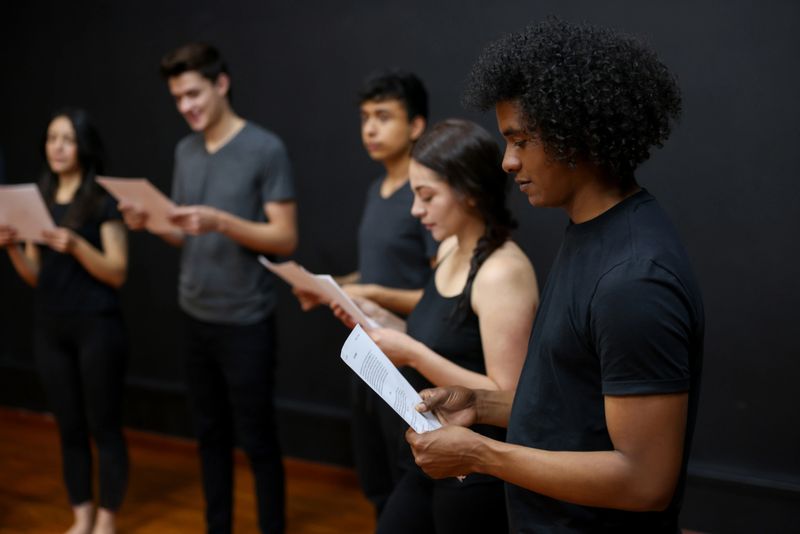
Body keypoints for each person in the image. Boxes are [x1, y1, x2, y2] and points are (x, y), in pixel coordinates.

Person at [405, 20, 705, 534]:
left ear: (576, 136)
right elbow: (572, 412)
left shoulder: (634, 281)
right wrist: (479, 404)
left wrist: (482, 455)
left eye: (520, 140)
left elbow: (645, 481)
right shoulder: (589, 233)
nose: (507, 161)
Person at [120, 42, 297, 534]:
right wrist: (150, 221)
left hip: (246, 320)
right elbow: (185, 233)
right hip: (195, 315)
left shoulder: (265, 148)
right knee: (209, 436)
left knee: (258, 440)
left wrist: (221, 221)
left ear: (221, 84)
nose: (186, 106)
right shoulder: (186, 150)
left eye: (193, 93)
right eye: (178, 98)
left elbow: (285, 238)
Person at [334, 118, 539, 533]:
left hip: (474, 469)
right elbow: (442, 336)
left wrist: (412, 353)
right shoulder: (448, 249)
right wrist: (376, 317)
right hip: (431, 451)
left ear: (469, 193)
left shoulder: (501, 272)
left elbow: (509, 398)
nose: (416, 210)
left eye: (427, 196)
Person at [294, 70, 437, 516]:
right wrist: (329, 289)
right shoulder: (378, 188)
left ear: (415, 126)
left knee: (409, 482)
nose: (370, 128)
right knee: (376, 480)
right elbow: (377, 271)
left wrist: (370, 291)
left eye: (383, 117)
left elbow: (443, 296)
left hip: (410, 361)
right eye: (365, 117)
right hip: (367, 353)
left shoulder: (427, 194)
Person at [0, 108, 129, 534]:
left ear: (83, 147)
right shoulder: (35, 199)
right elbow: (36, 277)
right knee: (68, 425)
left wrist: (76, 246)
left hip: (97, 325)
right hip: (50, 326)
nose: (57, 147)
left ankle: (107, 519)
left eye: (67, 139)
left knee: (103, 425)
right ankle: (82, 515)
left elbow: (117, 272)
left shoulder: (102, 201)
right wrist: (12, 247)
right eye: (52, 138)